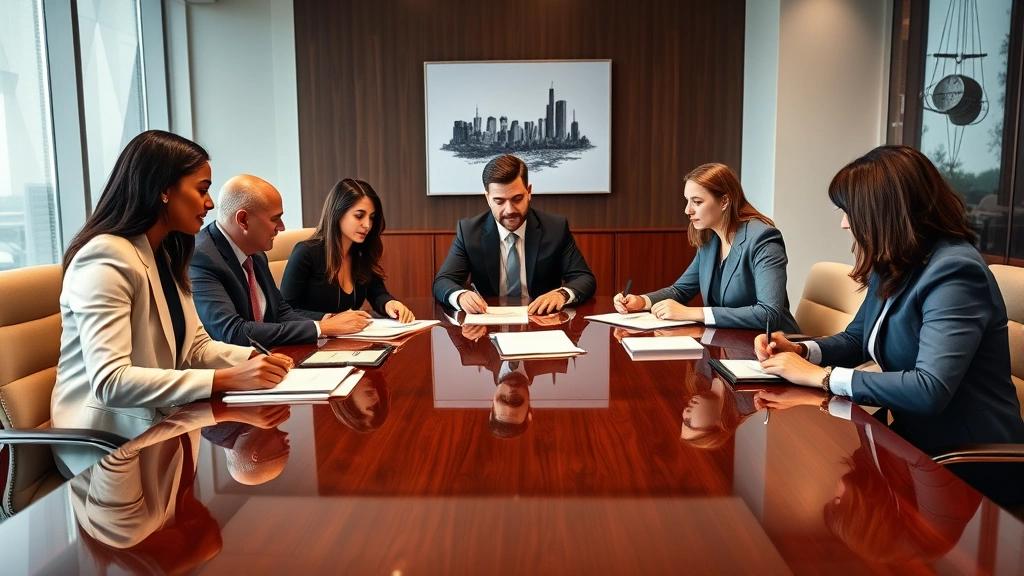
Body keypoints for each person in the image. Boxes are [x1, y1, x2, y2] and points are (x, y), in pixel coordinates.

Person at [756, 145, 1024, 459]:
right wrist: (801, 350)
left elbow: (929, 389)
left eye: (850, 211)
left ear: (885, 212)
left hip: (969, 457)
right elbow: (858, 339)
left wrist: (821, 377)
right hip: (912, 438)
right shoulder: (895, 262)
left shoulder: (956, 272)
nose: (844, 223)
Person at [51, 131, 293, 476]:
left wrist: (251, 358)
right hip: (106, 443)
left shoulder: (164, 254)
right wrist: (227, 379)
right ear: (164, 189)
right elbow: (111, 383)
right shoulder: (105, 257)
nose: (209, 203)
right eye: (202, 189)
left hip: (161, 425)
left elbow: (196, 346)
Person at [614, 163, 799, 333]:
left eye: (697, 202)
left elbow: (769, 314)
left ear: (724, 201)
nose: (688, 210)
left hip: (774, 348)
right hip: (730, 344)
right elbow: (680, 291)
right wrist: (641, 301)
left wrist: (694, 313)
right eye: (687, 201)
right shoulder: (710, 240)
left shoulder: (763, 239)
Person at [191, 175, 373, 348]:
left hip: (272, 358)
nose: (282, 227)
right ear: (243, 220)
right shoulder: (202, 257)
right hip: (232, 371)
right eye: (275, 219)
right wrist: (322, 328)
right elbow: (232, 332)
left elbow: (282, 312)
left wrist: (329, 325)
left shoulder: (256, 254)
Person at [432, 154, 597, 315]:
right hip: (488, 326)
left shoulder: (555, 228)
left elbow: (584, 278)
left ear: (529, 192)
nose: (509, 210)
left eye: (517, 199)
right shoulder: (469, 232)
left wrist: (561, 294)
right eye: (499, 201)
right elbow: (442, 282)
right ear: (488, 198)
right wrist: (461, 296)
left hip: (542, 323)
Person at [281, 178, 414, 323]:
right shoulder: (306, 252)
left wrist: (390, 304)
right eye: (359, 216)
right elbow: (286, 311)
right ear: (338, 214)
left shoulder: (361, 253)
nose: (367, 225)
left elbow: (377, 293)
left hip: (350, 340)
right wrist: (329, 319)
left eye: (372, 217)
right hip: (312, 341)